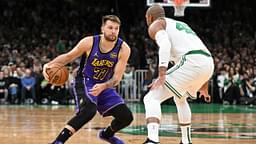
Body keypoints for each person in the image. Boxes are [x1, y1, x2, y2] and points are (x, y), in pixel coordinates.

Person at [43, 15, 133, 144]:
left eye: (116, 28)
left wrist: (104, 86)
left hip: (104, 85)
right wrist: (49, 65)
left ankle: (106, 135)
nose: (113, 31)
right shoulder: (89, 42)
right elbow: (68, 57)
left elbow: (116, 78)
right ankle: (58, 141)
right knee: (89, 110)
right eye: (110, 27)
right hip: (85, 81)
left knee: (126, 117)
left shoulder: (124, 49)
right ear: (103, 28)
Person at [143, 4, 214, 144]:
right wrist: (204, 84)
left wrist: (162, 74)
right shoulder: (180, 24)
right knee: (180, 98)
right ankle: (186, 141)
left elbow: (165, 45)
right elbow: (200, 49)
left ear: (149, 17)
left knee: (151, 97)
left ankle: (152, 140)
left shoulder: (155, 25)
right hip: (208, 62)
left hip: (192, 61)